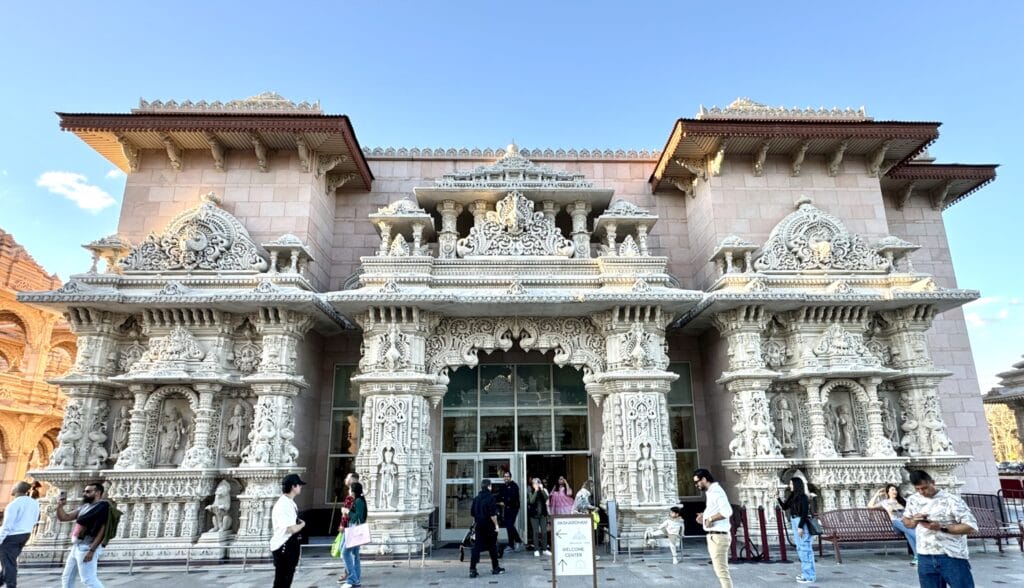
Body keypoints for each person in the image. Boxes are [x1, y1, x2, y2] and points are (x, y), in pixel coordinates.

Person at [902, 470, 978, 588]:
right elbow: (907, 523)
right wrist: (915, 520)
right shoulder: (913, 500)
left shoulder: (952, 500)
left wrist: (942, 527)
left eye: (925, 488)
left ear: (933, 482)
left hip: (951, 555)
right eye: (918, 489)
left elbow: (971, 527)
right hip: (924, 555)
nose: (922, 492)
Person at [56, 482, 111, 588]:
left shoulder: (103, 508)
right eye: (84, 491)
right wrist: (60, 506)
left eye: (88, 491)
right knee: (66, 577)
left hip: (87, 546)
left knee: (88, 580)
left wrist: (91, 550)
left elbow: (102, 531)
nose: (85, 494)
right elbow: (65, 517)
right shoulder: (84, 507)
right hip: (76, 546)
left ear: (98, 493)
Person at [694, 468, 733, 588]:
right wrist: (704, 516)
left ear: (704, 479)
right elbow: (715, 510)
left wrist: (710, 519)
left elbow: (727, 511)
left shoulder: (716, 491)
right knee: (719, 570)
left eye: (697, 482)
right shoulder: (711, 492)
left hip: (719, 536)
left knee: (722, 571)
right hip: (714, 535)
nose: (696, 485)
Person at [773, 477, 815, 584]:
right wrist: (777, 497)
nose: (790, 486)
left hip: (801, 522)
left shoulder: (803, 497)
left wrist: (800, 526)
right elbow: (785, 507)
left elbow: (804, 513)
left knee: (805, 549)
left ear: (796, 485)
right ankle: (806, 573)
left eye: (791, 484)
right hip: (794, 521)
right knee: (800, 548)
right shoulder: (793, 496)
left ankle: (809, 576)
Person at [0, 481, 40, 588]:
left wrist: (0, 539)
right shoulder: (34, 503)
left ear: (17, 489)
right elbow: (35, 520)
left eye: (14, 486)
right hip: (25, 534)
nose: (12, 488)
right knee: (9, 561)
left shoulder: (13, 505)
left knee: (8, 563)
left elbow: (7, 525)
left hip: (11, 536)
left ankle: (11, 585)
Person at [270, 474, 307, 588]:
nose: (300, 487)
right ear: (293, 486)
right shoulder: (284, 504)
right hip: (284, 545)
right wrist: (302, 525)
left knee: (286, 577)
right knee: (283, 578)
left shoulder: (290, 502)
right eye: (299, 485)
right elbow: (289, 528)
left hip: (289, 544)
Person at [869, 483, 917, 565]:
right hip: (896, 525)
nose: (895, 491)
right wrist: (877, 494)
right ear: (888, 492)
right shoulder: (885, 502)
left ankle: (917, 557)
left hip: (906, 524)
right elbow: (870, 506)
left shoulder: (903, 501)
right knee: (906, 528)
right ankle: (920, 539)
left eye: (895, 490)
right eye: (892, 490)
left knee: (908, 533)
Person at [469, 479, 505, 578]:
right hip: (489, 526)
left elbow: (472, 513)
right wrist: (497, 525)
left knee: (476, 547)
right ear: (489, 487)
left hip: (479, 525)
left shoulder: (476, 498)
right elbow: (493, 515)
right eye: (491, 486)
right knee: (492, 547)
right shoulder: (491, 498)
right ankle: (495, 567)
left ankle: (472, 569)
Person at [340, 482, 367, 588]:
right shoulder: (358, 501)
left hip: (355, 530)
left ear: (353, 491)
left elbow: (358, 517)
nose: (349, 491)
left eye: (350, 489)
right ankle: (356, 578)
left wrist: (347, 512)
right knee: (355, 554)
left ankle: (352, 579)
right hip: (354, 529)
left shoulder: (359, 501)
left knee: (345, 553)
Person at [336, 472, 360, 585]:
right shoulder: (358, 496)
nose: (346, 479)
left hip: (350, 527)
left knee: (345, 552)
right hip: (354, 527)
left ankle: (352, 576)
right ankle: (353, 576)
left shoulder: (352, 497)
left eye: (348, 477)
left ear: (353, 480)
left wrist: (342, 525)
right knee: (353, 553)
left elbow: (347, 514)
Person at [498, 472, 523, 552]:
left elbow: (512, 497)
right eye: (505, 476)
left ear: (510, 477)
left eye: (508, 476)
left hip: (513, 508)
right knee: (509, 526)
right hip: (506, 508)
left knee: (509, 525)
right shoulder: (503, 486)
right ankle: (511, 544)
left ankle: (518, 541)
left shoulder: (514, 486)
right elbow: (499, 495)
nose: (506, 478)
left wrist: (504, 502)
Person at [527, 477, 551, 557]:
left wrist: (542, 489)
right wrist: (536, 491)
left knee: (544, 532)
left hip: (543, 515)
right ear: (533, 485)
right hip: (534, 515)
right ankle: (536, 549)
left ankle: (544, 549)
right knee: (536, 532)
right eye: (534, 483)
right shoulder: (530, 491)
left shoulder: (543, 491)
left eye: (537, 483)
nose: (536, 484)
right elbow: (531, 501)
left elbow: (546, 498)